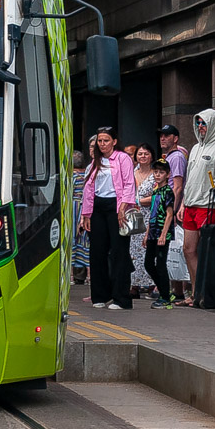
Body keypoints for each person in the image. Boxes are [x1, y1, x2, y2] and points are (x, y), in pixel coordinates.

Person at [80, 127, 139, 309]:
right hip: (97, 207)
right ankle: (100, 295)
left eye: (106, 140)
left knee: (119, 251)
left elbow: (129, 183)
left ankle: (121, 298)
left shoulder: (122, 158)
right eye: (99, 141)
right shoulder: (94, 162)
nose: (102, 144)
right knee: (97, 251)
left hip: (117, 205)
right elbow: (88, 190)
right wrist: (86, 214)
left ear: (114, 141)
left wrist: (123, 207)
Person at [179, 108, 215, 307]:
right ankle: (195, 292)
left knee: (206, 251)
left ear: (213, 124)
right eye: (198, 123)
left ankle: (206, 293)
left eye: (204, 123)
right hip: (191, 204)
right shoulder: (195, 148)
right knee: (188, 249)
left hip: (207, 206)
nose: (200, 127)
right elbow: (190, 179)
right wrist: (183, 203)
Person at [142, 159, 177, 307]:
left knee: (161, 264)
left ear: (167, 174)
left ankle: (165, 297)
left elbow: (169, 214)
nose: (157, 175)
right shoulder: (156, 191)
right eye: (155, 172)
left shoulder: (168, 192)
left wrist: (163, 235)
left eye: (161, 172)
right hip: (153, 231)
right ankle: (164, 290)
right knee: (148, 264)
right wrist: (147, 234)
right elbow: (153, 213)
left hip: (163, 232)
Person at [129, 143, 157, 297]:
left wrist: (140, 201)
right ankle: (134, 284)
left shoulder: (155, 174)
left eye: (146, 153)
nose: (143, 156)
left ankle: (152, 284)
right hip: (133, 215)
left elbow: (158, 196)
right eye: (140, 154)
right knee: (133, 249)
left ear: (151, 156)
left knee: (148, 249)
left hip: (150, 215)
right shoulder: (132, 172)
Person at [158, 123, 188, 216]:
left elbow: (178, 187)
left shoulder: (177, 157)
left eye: (166, 136)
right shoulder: (169, 156)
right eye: (161, 136)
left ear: (175, 139)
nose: (162, 139)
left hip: (171, 207)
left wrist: (171, 213)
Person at [71, 148, 90, 285]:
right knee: (86, 241)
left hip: (73, 209)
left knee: (72, 239)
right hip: (86, 208)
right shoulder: (87, 174)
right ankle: (89, 275)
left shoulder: (71, 176)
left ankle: (71, 275)